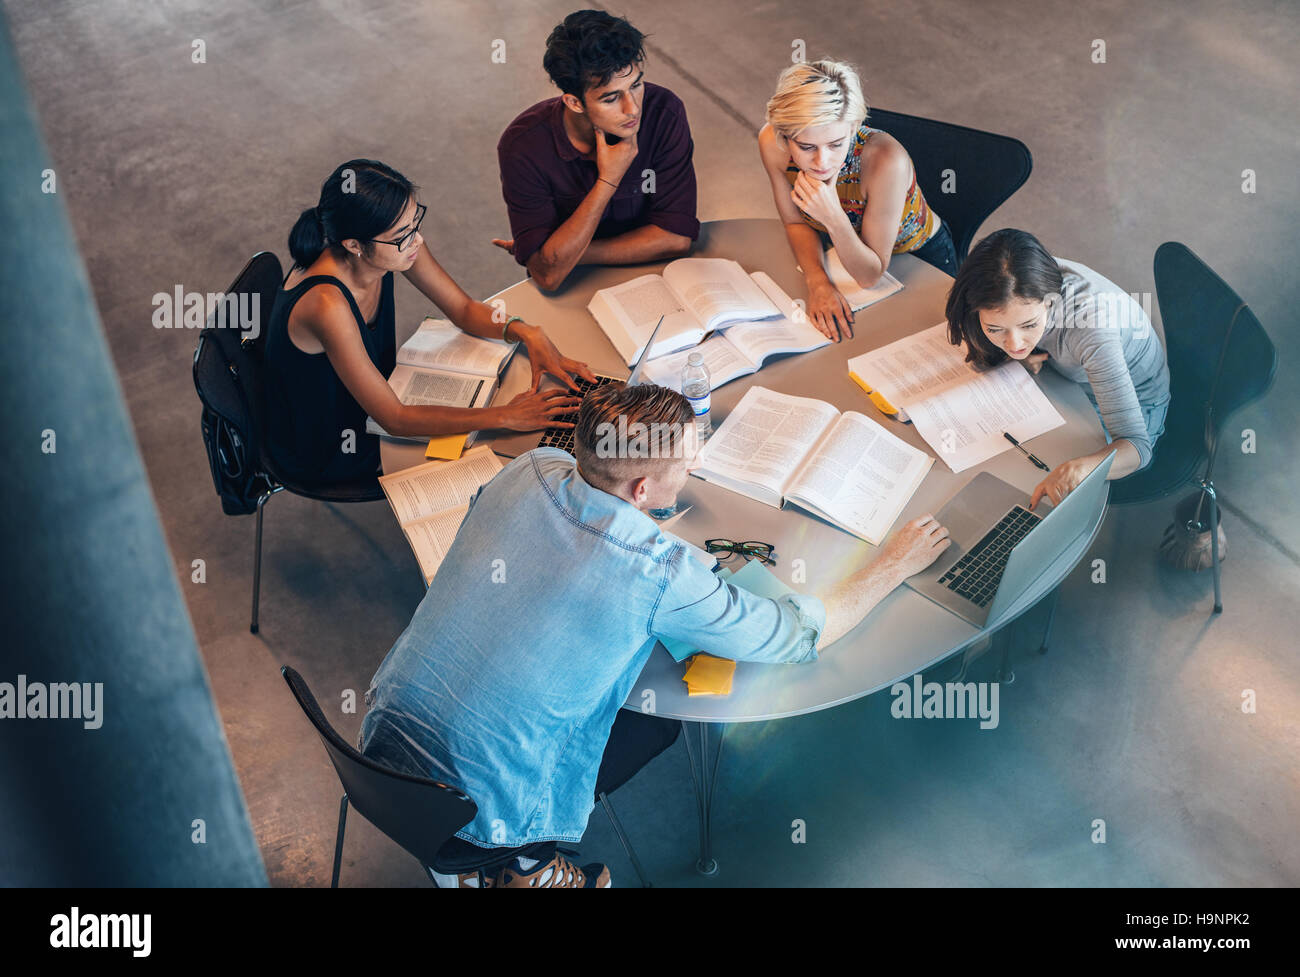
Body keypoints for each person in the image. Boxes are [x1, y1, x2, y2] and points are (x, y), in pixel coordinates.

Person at [360, 382, 952, 887]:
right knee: (660, 722)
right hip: (479, 818)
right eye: (687, 464)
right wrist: (893, 564)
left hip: (380, 749)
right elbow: (794, 636)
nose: (693, 469)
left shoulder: (532, 466)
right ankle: (527, 865)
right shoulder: (663, 570)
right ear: (642, 491)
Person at [263, 158, 593, 485]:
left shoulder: (388, 245)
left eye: (414, 224)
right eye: (403, 234)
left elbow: (463, 308)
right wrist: (507, 416)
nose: (417, 241)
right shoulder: (327, 305)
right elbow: (394, 418)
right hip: (331, 441)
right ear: (354, 245)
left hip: (375, 396)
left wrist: (524, 331)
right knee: (489, 462)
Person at [945, 228, 1172, 509]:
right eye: (995, 328)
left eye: (1028, 325)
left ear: (1050, 301)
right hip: (1070, 377)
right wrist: (1027, 351)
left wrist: (1080, 469)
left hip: (1137, 401)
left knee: (1025, 478)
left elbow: (1137, 448)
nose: (1014, 344)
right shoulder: (1018, 278)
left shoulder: (1093, 329)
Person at [493, 10, 700, 292]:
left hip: (655, 280)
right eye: (612, 98)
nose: (633, 108)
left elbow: (676, 239)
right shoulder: (523, 148)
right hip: (573, 290)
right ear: (574, 103)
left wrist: (567, 255)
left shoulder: (664, 112)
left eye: (636, 85)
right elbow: (548, 278)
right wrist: (607, 181)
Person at [758, 59, 958, 342]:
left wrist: (833, 217)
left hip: (918, 256)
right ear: (784, 135)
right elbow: (794, 221)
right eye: (805, 146)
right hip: (842, 251)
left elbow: (869, 275)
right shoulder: (771, 143)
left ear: (853, 128)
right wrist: (817, 281)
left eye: (836, 144)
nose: (821, 161)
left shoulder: (887, 160)